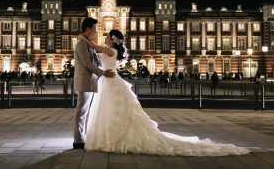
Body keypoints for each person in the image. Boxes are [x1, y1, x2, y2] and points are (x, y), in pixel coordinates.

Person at [77, 29, 248, 155]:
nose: (105, 38)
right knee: (110, 108)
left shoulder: (110, 50)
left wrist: (83, 38)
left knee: (111, 108)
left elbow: (93, 46)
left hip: (111, 80)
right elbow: (95, 48)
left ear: (113, 40)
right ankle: (110, 134)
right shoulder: (112, 49)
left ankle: (112, 136)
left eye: (107, 36)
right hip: (109, 79)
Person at [72, 18, 116, 149]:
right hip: (84, 80)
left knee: (84, 111)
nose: (95, 32)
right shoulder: (81, 43)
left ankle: (81, 138)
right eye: (94, 29)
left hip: (89, 80)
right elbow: (86, 63)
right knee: (81, 111)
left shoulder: (87, 42)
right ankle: (78, 141)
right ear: (87, 29)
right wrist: (103, 73)